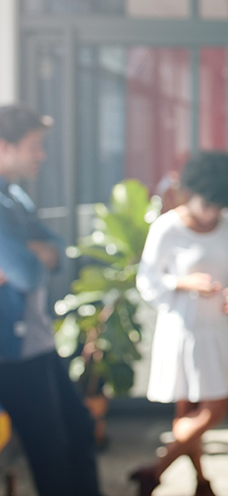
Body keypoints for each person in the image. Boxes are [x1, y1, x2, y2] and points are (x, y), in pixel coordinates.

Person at [130, 151, 228, 496]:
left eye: (219, 205)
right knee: (205, 410)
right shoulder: (167, 227)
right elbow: (147, 280)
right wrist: (184, 283)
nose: (212, 212)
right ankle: (186, 478)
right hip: (182, 329)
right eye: (207, 203)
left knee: (201, 411)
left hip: (216, 329)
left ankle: (163, 473)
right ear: (192, 192)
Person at [0, 104, 103, 496]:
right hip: (12, 353)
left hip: (36, 345)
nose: (41, 154)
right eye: (35, 145)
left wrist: (33, 253)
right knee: (52, 452)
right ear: (4, 146)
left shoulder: (16, 198)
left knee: (77, 430)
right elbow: (26, 274)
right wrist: (32, 256)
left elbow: (58, 250)